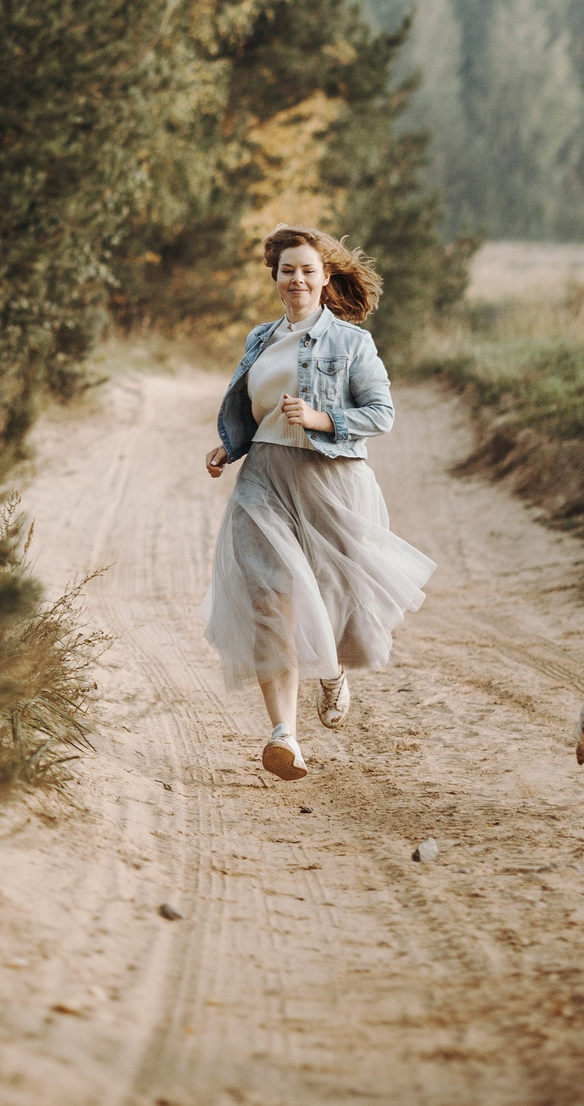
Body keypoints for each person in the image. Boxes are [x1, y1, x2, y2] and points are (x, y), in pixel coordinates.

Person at [202, 225, 436, 781]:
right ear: (276, 278)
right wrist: (229, 446)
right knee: (269, 597)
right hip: (262, 479)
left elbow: (381, 413)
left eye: (308, 270)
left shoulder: (353, 342)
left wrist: (322, 418)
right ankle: (285, 735)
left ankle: (331, 670)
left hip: (330, 480)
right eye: (287, 271)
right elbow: (256, 409)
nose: (297, 280)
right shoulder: (260, 338)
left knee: (330, 598)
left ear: (325, 277)